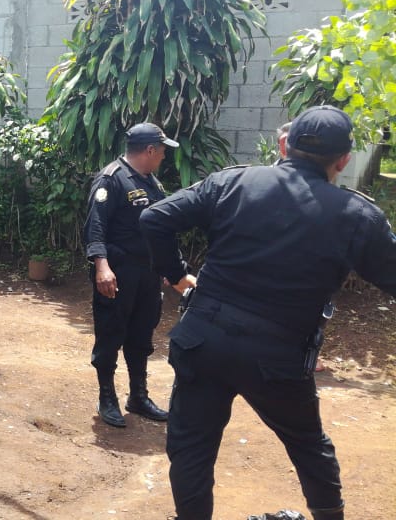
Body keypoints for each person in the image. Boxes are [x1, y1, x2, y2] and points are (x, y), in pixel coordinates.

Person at [140, 105, 396, 520]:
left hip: (204, 340)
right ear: (344, 159)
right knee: (308, 444)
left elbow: (154, 218)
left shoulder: (234, 182)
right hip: (277, 358)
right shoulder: (357, 216)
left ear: (286, 145)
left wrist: (177, 275)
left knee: (192, 447)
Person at [83, 122, 179, 428]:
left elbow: (159, 228)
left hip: (147, 274)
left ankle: (138, 396)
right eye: (162, 151)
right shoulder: (111, 179)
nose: (164, 156)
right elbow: (95, 226)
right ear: (150, 150)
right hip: (118, 272)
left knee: (141, 335)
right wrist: (102, 266)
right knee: (111, 334)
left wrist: (165, 264)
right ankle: (107, 398)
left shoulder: (152, 183)